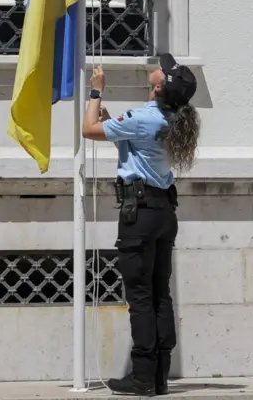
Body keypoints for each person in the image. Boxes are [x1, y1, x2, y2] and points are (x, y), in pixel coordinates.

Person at [82, 53, 201, 397]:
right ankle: (159, 376)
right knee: (160, 293)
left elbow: (89, 130)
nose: (158, 66)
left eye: (164, 70)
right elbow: (130, 142)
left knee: (140, 297)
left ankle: (142, 378)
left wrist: (95, 94)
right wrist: (110, 118)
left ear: (161, 86)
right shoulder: (171, 116)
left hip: (141, 213)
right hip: (163, 211)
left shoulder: (146, 116)